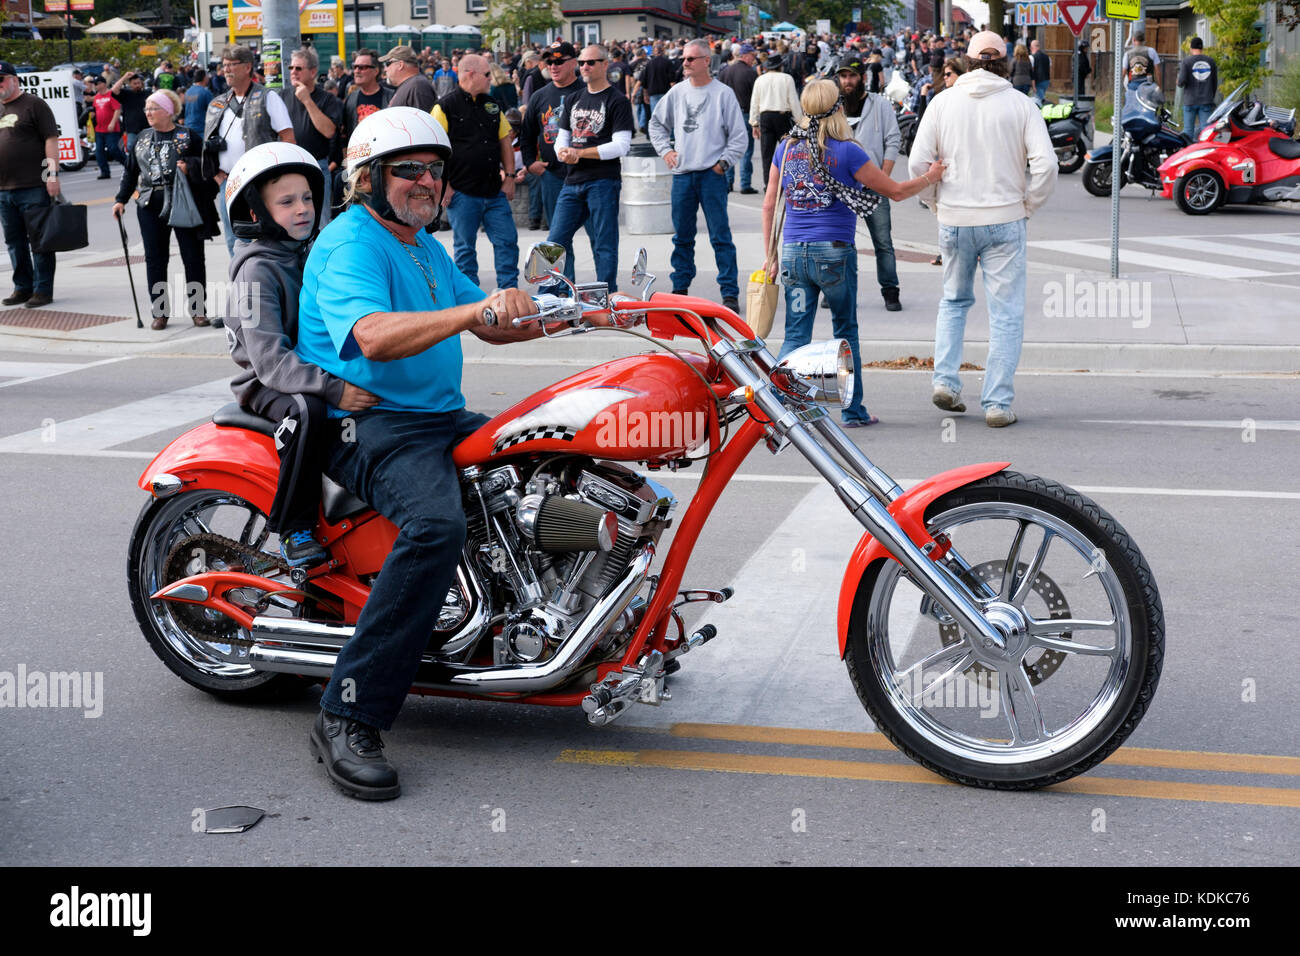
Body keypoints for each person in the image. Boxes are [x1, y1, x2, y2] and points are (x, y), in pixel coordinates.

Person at [293, 108, 551, 800]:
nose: (427, 181)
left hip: (435, 415)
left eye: (434, 169)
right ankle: (347, 711)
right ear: (368, 179)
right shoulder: (352, 243)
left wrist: (572, 311)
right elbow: (373, 336)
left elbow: (492, 325)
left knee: (547, 459)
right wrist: (475, 314)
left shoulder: (419, 245)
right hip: (374, 424)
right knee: (436, 526)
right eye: (408, 169)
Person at [223, 142, 378, 566]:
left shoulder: (307, 252)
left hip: (308, 366)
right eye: (287, 202)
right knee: (307, 410)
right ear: (256, 211)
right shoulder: (255, 272)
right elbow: (269, 359)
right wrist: (333, 389)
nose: (302, 209)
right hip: (266, 383)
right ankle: (294, 529)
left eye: (307, 198)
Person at [763, 79, 943, 428]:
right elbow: (895, 192)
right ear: (838, 107)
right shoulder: (847, 151)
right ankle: (853, 410)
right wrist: (930, 177)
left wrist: (770, 255)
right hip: (833, 252)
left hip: (792, 253)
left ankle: (779, 409)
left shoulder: (786, 147)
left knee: (796, 334)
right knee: (845, 332)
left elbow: (770, 201)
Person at [908, 30, 1057, 428]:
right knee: (1005, 313)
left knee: (954, 301)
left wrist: (934, 202)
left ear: (970, 61)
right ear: (1004, 62)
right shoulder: (1021, 105)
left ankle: (945, 381)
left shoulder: (943, 102)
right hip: (1005, 217)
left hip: (955, 218)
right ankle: (996, 402)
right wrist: (1029, 204)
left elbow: (918, 163)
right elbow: (1046, 165)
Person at [649, 39, 747, 310]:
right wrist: (665, 151)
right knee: (682, 236)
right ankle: (680, 287)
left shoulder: (722, 94)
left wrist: (723, 164)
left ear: (707, 61)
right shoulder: (677, 93)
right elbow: (656, 124)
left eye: (691, 59)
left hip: (711, 176)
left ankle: (729, 292)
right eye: (684, 59)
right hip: (682, 176)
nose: (685, 63)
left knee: (720, 236)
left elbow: (739, 136)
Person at [111, 90, 208, 330]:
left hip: (183, 202)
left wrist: (190, 168)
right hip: (149, 204)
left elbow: (207, 166)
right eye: (146, 109)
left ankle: (198, 311)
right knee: (155, 259)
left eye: (153, 108)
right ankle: (160, 312)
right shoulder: (141, 138)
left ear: (168, 111)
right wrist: (120, 199)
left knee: (193, 258)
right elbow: (131, 171)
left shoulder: (188, 136)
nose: (148, 113)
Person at [546, 44, 634, 290]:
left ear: (605, 65)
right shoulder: (574, 98)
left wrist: (580, 153)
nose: (585, 67)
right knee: (554, 242)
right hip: (572, 181)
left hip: (603, 181)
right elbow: (561, 138)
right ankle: (550, 294)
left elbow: (621, 145)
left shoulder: (617, 100)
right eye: (582, 62)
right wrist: (563, 152)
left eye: (591, 62)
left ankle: (605, 296)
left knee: (604, 243)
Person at [433, 53, 519, 290]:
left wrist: (510, 177)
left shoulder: (491, 104)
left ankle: (509, 291)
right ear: (470, 74)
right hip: (462, 191)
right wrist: (445, 184)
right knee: (464, 248)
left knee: (507, 242)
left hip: (493, 190)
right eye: (487, 74)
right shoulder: (444, 106)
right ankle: (470, 300)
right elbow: (435, 150)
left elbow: (505, 141)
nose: (491, 79)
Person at [204, 44, 296, 257]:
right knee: (233, 239)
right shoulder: (218, 103)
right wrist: (219, 177)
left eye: (231, 65)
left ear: (247, 67)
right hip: (229, 182)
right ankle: (241, 283)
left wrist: (280, 175)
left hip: (261, 181)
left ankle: (264, 280)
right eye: (224, 65)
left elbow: (288, 137)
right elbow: (207, 142)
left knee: (265, 237)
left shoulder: (268, 97)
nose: (226, 70)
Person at [837, 57, 903, 311]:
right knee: (840, 242)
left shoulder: (880, 105)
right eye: (843, 77)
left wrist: (884, 178)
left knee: (882, 242)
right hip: (842, 189)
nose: (847, 81)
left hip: (874, 187)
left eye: (852, 76)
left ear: (862, 77)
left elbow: (893, 139)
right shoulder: (834, 107)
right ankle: (835, 290)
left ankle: (890, 290)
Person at [0, 60, 61, 308]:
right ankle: (22, 287)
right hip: (4, 189)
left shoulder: (34, 104)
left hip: (34, 185)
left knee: (40, 240)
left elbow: (51, 139)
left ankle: (42, 290)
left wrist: (52, 175)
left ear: (14, 79)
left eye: (1, 79)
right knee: (14, 242)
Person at [520, 44, 583, 233]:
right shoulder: (540, 96)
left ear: (573, 63)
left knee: (597, 236)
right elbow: (527, 134)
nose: (553, 66)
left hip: (586, 173)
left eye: (558, 62)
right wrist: (530, 162)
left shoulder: (586, 91)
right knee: (558, 237)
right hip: (553, 174)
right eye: (549, 62)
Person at [281, 47, 342, 226]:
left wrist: (307, 100)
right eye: (291, 68)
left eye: (299, 68)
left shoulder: (327, 99)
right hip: (288, 167)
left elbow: (329, 131)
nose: (293, 72)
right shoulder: (282, 96)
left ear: (313, 71)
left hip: (316, 166)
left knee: (320, 222)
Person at [750, 55, 804, 188]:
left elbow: (754, 103)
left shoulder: (760, 80)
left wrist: (754, 123)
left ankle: (768, 184)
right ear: (780, 66)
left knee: (766, 152)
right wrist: (800, 121)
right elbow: (793, 101)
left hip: (765, 117)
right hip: (782, 116)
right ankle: (790, 181)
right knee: (788, 151)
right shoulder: (787, 78)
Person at [718, 43, 759, 194]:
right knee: (746, 150)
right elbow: (755, 98)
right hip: (745, 113)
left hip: (727, 114)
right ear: (745, 56)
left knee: (729, 148)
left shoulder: (725, 72)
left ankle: (728, 182)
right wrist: (756, 120)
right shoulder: (750, 73)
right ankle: (745, 183)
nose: (754, 60)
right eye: (753, 57)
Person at [1178, 36, 1217, 137]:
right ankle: (1205, 152)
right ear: (1202, 48)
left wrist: (1178, 80)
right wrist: (1210, 97)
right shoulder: (1210, 61)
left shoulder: (1186, 61)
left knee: (1188, 131)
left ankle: (1189, 152)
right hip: (1206, 100)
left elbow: (1181, 83)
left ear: (1191, 49)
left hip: (1190, 101)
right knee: (1206, 132)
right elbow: (1214, 82)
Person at [91, 76, 127, 180]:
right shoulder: (96, 97)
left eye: (97, 83)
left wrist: (112, 122)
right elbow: (95, 109)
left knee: (113, 149)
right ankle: (105, 172)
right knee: (99, 151)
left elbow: (117, 109)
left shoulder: (111, 95)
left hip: (111, 129)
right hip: (99, 129)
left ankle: (129, 165)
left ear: (103, 84)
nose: (95, 86)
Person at [382, 45, 436, 112]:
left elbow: (422, 121)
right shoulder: (412, 85)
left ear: (400, 65)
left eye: (387, 64)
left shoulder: (418, 86)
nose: (385, 69)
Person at [110, 71, 150, 155]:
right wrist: (125, 77)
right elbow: (114, 90)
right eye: (134, 83)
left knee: (146, 149)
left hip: (147, 127)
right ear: (130, 84)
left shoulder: (147, 93)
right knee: (131, 147)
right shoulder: (126, 94)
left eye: (138, 83)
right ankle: (132, 166)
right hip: (132, 128)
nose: (137, 85)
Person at [182, 68, 213, 136]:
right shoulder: (206, 92)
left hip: (188, 127)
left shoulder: (188, 91)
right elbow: (214, 110)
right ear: (204, 78)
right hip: (201, 128)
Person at [1029, 39, 1051, 104]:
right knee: (1041, 97)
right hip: (1046, 80)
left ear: (1032, 47)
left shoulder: (1031, 57)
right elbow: (1050, 68)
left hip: (1037, 81)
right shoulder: (1048, 57)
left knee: (1039, 100)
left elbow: (1031, 72)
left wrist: (1033, 85)